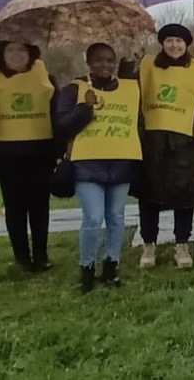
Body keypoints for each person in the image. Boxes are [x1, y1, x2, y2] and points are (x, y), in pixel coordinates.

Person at [55, 43, 141, 292]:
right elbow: (61, 127)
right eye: (99, 61)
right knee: (93, 217)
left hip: (121, 160)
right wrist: (85, 108)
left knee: (116, 217)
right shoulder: (74, 89)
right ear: (88, 63)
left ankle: (112, 265)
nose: (105, 65)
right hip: (88, 163)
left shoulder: (127, 88)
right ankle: (87, 268)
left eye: (109, 61)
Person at [134, 24, 194, 269]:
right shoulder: (148, 68)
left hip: (184, 146)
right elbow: (135, 100)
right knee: (149, 198)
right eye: (169, 40)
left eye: (179, 41)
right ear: (162, 43)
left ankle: (182, 245)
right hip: (153, 145)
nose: (174, 46)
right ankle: (149, 245)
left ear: (186, 44)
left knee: (184, 198)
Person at [0, 41, 58, 273]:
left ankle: (41, 255)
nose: (16, 54)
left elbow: (56, 115)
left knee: (40, 205)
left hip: (41, 151)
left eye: (22, 49)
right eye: (10, 50)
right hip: (6, 153)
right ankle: (22, 257)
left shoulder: (48, 80)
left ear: (31, 53)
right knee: (15, 206)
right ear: (1, 54)